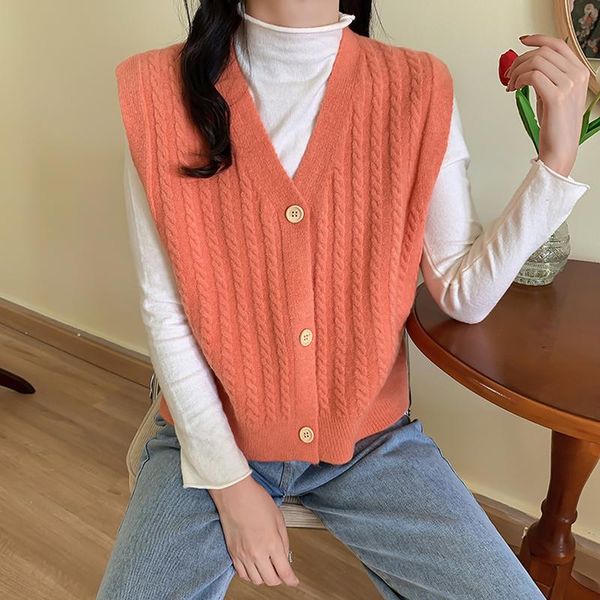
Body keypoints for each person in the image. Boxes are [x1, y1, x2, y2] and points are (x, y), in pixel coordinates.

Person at [98, 1, 591, 598]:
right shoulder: (158, 90)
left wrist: (555, 162)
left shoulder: (417, 87)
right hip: (210, 441)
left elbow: (462, 294)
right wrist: (230, 486)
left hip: (370, 443)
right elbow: (166, 312)